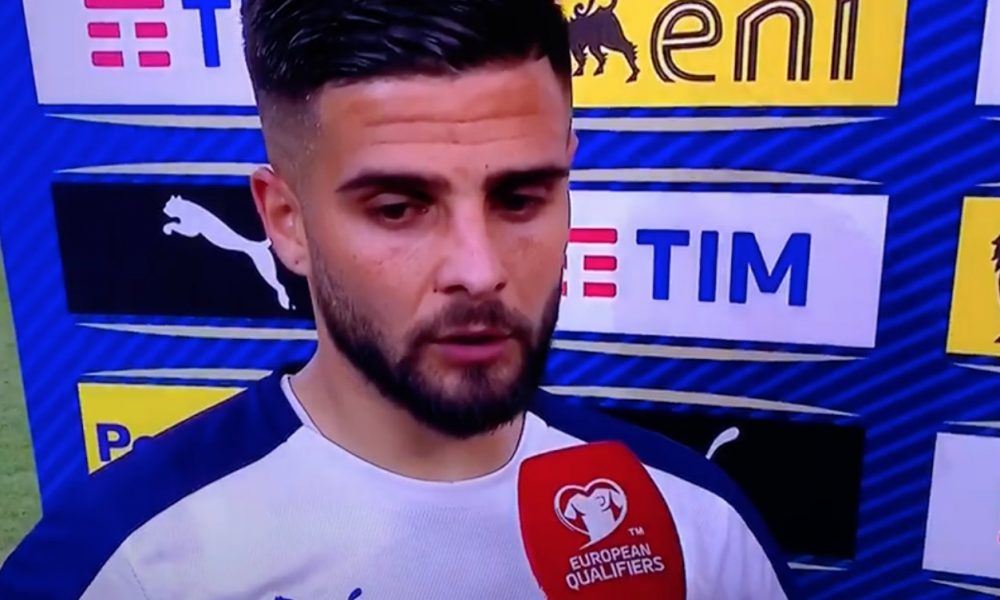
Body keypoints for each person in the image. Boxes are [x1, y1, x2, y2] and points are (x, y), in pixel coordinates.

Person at [0, 1, 799, 598]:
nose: (479, 271)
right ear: (286, 222)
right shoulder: (124, 565)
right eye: (398, 208)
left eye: (521, 197)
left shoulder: (699, 528)